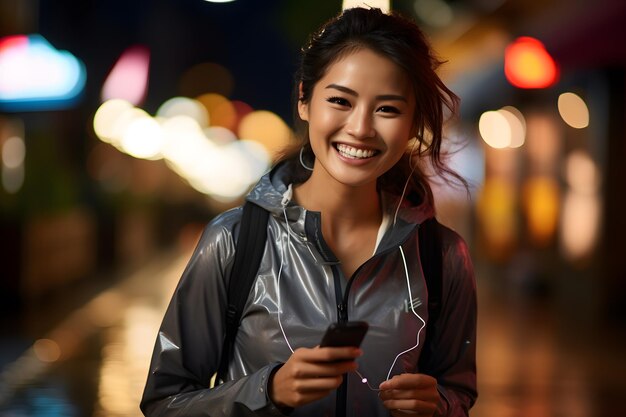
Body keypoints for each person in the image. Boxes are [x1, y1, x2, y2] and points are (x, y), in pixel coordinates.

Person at [140, 6, 477, 417]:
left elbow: (458, 390)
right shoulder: (233, 241)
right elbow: (164, 403)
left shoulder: (442, 256)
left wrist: (438, 405)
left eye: (387, 109)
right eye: (340, 100)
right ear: (304, 99)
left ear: (412, 123)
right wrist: (268, 390)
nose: (360, 128)